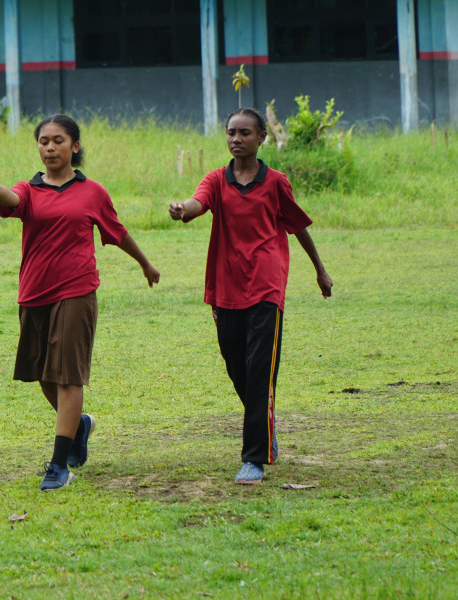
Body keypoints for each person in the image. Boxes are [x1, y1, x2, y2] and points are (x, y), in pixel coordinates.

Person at [0, 114, 161, 492]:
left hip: (77, 290)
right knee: (43, 375)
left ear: (74, 147)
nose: (50, 147)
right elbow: (11, 201)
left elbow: (118, 232)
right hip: (34, 292)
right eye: (43, 141)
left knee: (67, 375)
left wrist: (145, 262)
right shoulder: (28, 189)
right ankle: (79, 426)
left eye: (58, 140)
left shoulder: (93, 192)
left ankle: (58, 466)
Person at [168, 107, 333, 485]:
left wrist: (319, 270)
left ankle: (254, 458)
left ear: (261, 138)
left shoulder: (276, 182)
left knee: (260, 371)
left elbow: (297, 227)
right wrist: (181, 210)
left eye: (244, 133)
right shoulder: (215, 179)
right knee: (236, 365)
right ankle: (264, 424)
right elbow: (197, 204)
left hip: (266, 285)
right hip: (224, 286)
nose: (236, 138)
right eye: (231, 132)